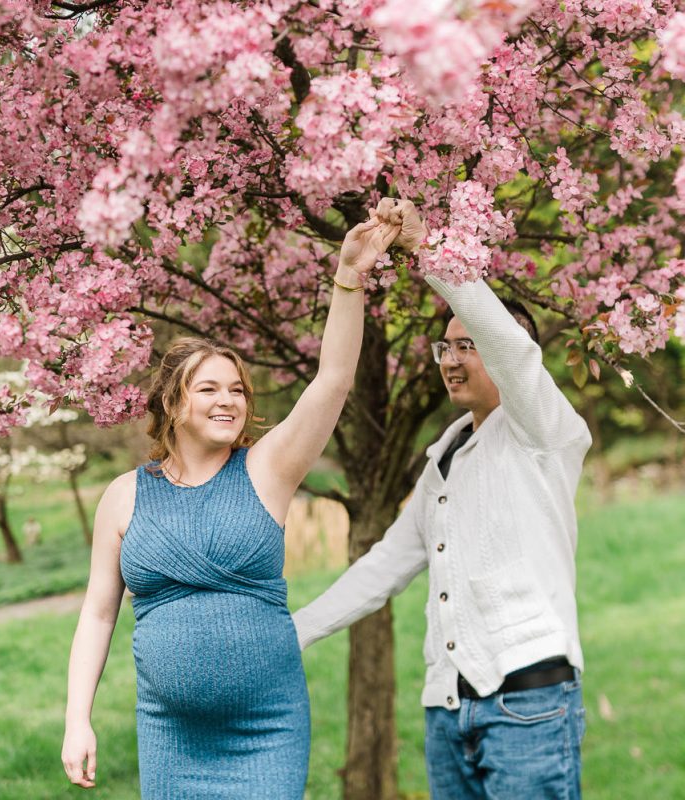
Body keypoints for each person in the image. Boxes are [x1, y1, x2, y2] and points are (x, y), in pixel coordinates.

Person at [60, 210, 402, 798]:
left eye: (237, 389)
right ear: (173, 402)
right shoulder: (124, 496)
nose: (229, 401)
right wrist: (76, 719)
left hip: (266, 726)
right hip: (171, 732)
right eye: (209, 389)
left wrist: (349, 277)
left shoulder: (267, 471)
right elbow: (97, 612)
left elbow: (332, 381)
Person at [292, 198, 592, 799]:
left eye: (467, 346)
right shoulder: (443, 462)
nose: (451, 361)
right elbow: (383, 566)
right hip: (449, 713)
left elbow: (512, 350)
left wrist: (428, 250)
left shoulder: (545, 432)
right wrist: (292, 632)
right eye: (444, 348)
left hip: (528, 702)